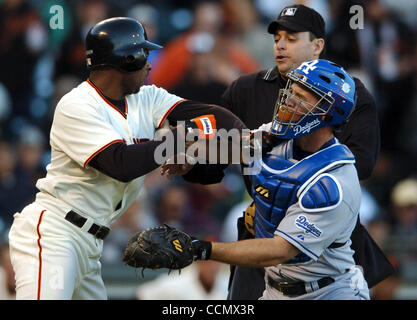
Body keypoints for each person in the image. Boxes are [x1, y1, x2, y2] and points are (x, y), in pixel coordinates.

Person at [8, 17, 247, 300]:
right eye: (144, 55)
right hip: (55, 233)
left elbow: (221, 119)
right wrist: (177, 140)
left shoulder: (147, 98)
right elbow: (120, 164)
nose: (149, 64)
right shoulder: (76, 105)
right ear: (126, 59)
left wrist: (241, 142)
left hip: (90, 242)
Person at [178, 3, 392, 300]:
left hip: (323, 232)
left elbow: (360, 165)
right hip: (261, 233)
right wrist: (191, 160)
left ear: (318, 45)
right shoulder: (246, 90)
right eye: (277, 38)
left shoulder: (345, 94)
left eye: (291, 39)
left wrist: (281, 193)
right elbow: (220, 156)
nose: (280, 45)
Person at [162, 59, 370, 300]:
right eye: (292, 90)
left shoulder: (334, 181)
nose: (290, 99)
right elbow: (239, 147)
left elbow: (280, 250)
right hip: (274, 289)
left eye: (302, 96)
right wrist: (192, 155)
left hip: (328, 291)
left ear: (330, 112)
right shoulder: (279, 135)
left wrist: (200, 249)